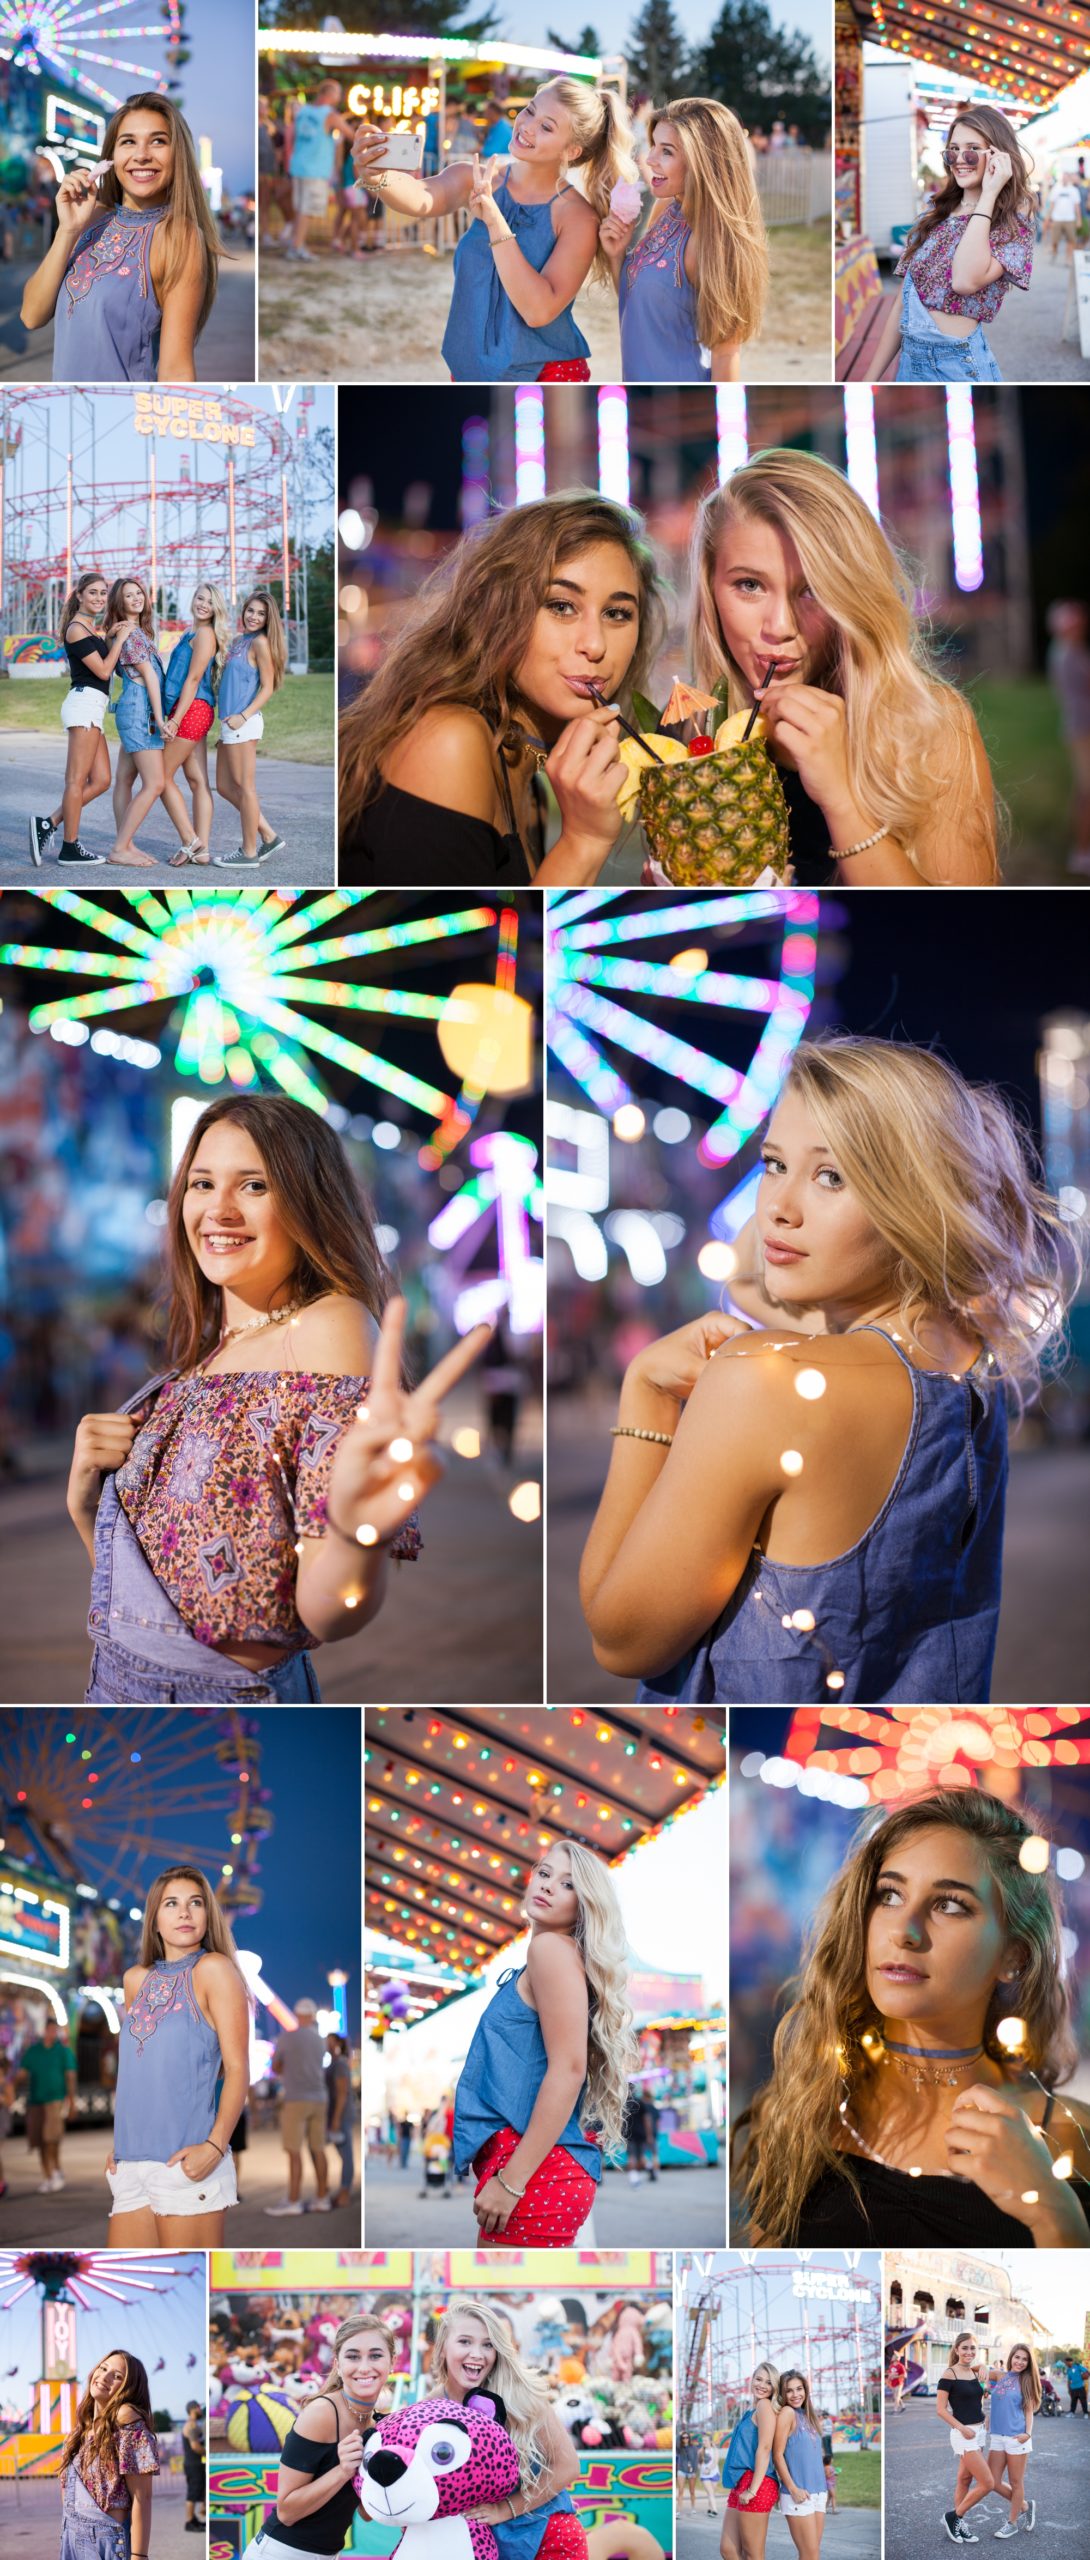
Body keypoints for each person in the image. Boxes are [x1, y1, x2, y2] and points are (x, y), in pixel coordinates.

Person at [582, 1035, 1077, 1702]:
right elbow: (765, 1279)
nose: (779, 1207)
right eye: (773, 1163)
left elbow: (621, 1638)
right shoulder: (970, 1362)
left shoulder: (764, 1381)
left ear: (914, 1199)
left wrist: (644, 1393)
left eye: (832, 1176)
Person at [66, 1093, 490, 1701]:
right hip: (115, 1684)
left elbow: (326, 1612)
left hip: (219, 1703)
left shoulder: (329, 1327)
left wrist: (352, 1536)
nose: (219, 1209)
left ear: (307, 1200)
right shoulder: (204, 1356)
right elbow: (148, 1603)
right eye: (203, 1183)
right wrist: (87, 1506)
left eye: (255, 1186)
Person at [732, 1786, 1090, 2245]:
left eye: (949, 1905)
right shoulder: (801, 2111)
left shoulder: (1069, 2138)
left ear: (1013, 1956)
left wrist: (1053, 2211)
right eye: (890, 1895)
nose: (904, 1931)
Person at [687, 449, 998, 882]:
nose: (780, 627)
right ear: (710, 590)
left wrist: (842, 798)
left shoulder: (932, 726)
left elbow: (967, 932)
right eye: (749, 585)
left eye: (811, 590)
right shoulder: (688, 741)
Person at [338, 491, 668, 883]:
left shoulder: (527, 767)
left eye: (617, 613)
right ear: (496, 609)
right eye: (561, 606)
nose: (594, 645)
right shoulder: (449, 741)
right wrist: (585, 839)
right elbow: (459, 932)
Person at [353, 82, 636, 383]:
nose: (527, 126)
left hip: (545, 375)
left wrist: (494, 220)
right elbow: (422, 196)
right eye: (529, 111)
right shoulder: (475, 176)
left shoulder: (578, 217)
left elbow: (538, 311)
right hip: (469, 372)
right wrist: (378, 174)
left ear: (572, 150)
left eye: (546, 127)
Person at [452, 1839, 637, 2244]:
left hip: (533, 2169)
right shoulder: (558, 1954)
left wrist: (512, 2182)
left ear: (585, 1905)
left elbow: (569, 2070)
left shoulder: (549, 1949)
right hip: (541, 2166)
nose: (549, 1886)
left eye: (569, 1885)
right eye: (545, 1872)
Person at [22, 94, 220, 380]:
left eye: (158, 141)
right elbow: (31, 315)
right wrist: (68, 229)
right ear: (112, 156)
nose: (141, 154)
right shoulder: (89, 217)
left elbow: (176, 369)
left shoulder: (180, 237)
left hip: (124, 415)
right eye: (128, 141)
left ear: (178, 154)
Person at [106, 1864, 248, 2245]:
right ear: (154, 1919)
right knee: (133, 2293)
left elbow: (237, 2069)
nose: (184, 1912)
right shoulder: (135, 1979)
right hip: (130, 2164)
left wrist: (215, 2147)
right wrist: (120, 2145)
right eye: (171, 1903)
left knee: (186, 2283)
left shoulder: (214, 1970)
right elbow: (140, 2067)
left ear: (207, 1914)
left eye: (195, 1903)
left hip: (185, 2164)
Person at [863, 105, 1033, 385]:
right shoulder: (936, 212)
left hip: (957, 366)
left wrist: (988, 194)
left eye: (971, 149)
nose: (959, 160)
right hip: (909, 363)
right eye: (952, 150)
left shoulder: (1012, 221)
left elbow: (964, 281)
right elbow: (905, 301)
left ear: (998, 155)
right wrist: (871, 379)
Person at [601, 100, 768, 384]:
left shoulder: (711, 244)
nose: (650, 159)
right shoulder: (665, 206)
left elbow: (726, 355)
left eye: (666, 151)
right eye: (653, 145)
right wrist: (617, 257)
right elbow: (644, 310)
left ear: (703, 162)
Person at [426, 2296, 584, 2560]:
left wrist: (506, 2508)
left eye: (488, 2345)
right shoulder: (429, 2408)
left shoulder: (522, 2397)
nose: (477, 2354)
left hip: (547, 2537)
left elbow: (568, 2466)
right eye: (465, 2341)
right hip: (475, 2546)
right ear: (443, 2348)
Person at [241, 2313, 394, 2560]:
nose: (364, 2367)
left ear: (392, 2362)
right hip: (281, 2552)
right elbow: (286, 2512)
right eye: (353, 2356)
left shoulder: (379, 2423)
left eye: (375, 2355)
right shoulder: (322, 2413)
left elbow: (367, 2513)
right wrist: (343, 2471)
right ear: (337, 2364)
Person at [30, 571, 134, 868]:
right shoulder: (77, 628)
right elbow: (102, 671)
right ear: (79, 595)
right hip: (83, 704)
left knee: (101, 780)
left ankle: (48, 823)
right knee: (75, 780)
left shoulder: (90, 627)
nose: (100, 598)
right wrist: (118, 641)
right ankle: (69, 848)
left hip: (93, 707)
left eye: (103, 593)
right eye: (93, 593)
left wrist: (111, 637)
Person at [106, 574, 202, 867]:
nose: (136, 598)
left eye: (139, 593)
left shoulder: (135, 632)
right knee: (155, 783)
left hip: (133, 709)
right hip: (140, 712)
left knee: (125, 779)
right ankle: (120, 849)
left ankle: (126, 844)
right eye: (128, 595)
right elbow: (148, 676)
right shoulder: (130, 634)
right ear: (119, 603)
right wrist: (161, 720)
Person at [213, 587, 288, 868]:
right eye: (251, 610)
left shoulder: (260, 644)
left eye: (261, 613)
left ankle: (248, 852)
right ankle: (268, 834)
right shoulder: (238, 641)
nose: (254, 617)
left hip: (243, 723)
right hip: (229, 724)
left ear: (269, 619)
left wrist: (242, 717)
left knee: (246, 788)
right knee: (223, 786)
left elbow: (268, 687)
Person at [59, 2350, 159, 2560]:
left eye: (117, 2376)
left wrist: (139, 2555)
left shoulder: (129, 2428)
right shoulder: (78, 2433)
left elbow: (143, 2497)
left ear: (129, 2388)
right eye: (103, 2368)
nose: (104, 2377)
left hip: (105, 2540)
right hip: (70, 2534)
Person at [267, 1998, 334, 2217]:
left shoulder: (287, 2038)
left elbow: (276, 2067)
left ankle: (294, 2200)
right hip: (319, 2097)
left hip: (296, 2098)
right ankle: (322, 2197)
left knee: (294, 2150)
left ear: (296, 2014)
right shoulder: (320, 2040)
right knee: (318, 2148)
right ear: (314, 2015)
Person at [936, 2335, 1003, 2545]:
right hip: (963, 2434)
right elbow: (940, 2409)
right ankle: (953, 2517)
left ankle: (959, 2523)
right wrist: (961, 2427)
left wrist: (983, 2365)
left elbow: (1001, 2377)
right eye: (965, 2348)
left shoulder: (976, 2371)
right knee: (988, 2482)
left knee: (964, 2479)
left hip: (979, 2432)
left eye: (973, 2349)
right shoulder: (950, 2373)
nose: (969, 2353)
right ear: (956, 2349)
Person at [284, 81, 354, 260]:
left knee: (300, 208)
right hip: (314, 169)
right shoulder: (329, 114)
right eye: (338, 93)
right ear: (329, 94)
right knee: (306, 210)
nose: (339, 97)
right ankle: (296, 247)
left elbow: (291, 136)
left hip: (298, 165)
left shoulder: (303, 112)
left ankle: (295, 242)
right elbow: (350, 134)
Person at [1045, 598, 1090, 876]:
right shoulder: (1066, 654)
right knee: (1086, 792)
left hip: (1081, 727)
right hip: (1081, 729)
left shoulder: (1071, 651)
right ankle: (1082, 851)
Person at [720, 2363, 780, 2560]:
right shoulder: (751, 2410)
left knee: (753, 2554)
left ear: (774, 2387)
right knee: (728, 2550)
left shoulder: (764, 2406)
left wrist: (753, 2489)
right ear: (752, 2379)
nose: (762, 2385)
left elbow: (764, 2448)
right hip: (741, 2482)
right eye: (759, 2379)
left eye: (769, 2382)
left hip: (757, 2483)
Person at [15, 2012, 76, 2192]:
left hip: (54, 2100)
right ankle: (47, 2175)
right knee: (39, 2140)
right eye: (49, 2030)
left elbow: (70, 2076)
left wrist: (71, 2102)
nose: (51, 2033)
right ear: (44, 2031)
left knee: (51, 2138)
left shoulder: (63, 2051)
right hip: (36, 2100)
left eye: (54, 2030)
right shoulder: (34, 2051)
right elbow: (22, 2073)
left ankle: (56, 2170)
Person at [986, 2343, 1039, 2539]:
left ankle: (1012, 2522)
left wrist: (1028, 2433)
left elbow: (1028, 2411)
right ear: (1011, 2357)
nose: (1020, 2362)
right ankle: (1025, 2505)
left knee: (1016, 2482)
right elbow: (973, 2370)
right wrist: (982, 2367)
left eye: (1024, 2359)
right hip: (997, 2436)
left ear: (1028, 2363)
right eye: (1017, 2357)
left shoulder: (1027, 2381)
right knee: (991, 2481)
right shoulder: (1000, 2375)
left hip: (1017, 2437)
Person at [773, 2374, 827, 2559]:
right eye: (789, 2390)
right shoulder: (787, 2413)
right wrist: (793, 2488)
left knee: (811, 2554)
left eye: (799, 2388)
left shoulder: (809, 2416)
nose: (795, 2394)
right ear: (783, 2394)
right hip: (798, 2494)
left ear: (805, 2389)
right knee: (810, 2555)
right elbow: (777, 2454)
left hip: (819, 2492)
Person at [325, 2033, 355, 2204]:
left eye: (329, 2040)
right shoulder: (336, 2063)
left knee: (346, 2153)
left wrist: (336, 2118)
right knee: (343, 2153)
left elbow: (342, 2093)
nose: (325, 2043)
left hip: (341, 2114)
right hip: (337, 2113)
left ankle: (345, 2190)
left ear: (336, 2043)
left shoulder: (340, 2064)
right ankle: (344, 2189)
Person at [1046, 171, 1082, 259]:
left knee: (1071, 240)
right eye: (1063, 177)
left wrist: (1079, 220)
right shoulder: (1056, 189)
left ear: (1069, 179)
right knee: (1055, 240)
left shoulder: (1074, 190)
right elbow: (1052, 204)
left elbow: (1077, 206)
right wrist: (1048, 217)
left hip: (1070, 219)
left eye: (1066, 177)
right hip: (1057, 218)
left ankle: (1068, 257)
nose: (1065, 179)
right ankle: (1054, 251)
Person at [182, 2401, 206, 2535]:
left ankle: (194, 2519)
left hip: (196, 2464)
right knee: (192, 2493)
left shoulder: (194, 2424)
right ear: (193, 2409)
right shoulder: (191, 2425)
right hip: (193, 2464)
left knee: (197, 2491)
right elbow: (195, 2446)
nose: (200, 2409)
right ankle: (190, 2522)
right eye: (198, 2407)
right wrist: (207, 2452)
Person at [677, 2428, 700, 2509]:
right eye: (683, 2437)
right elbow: (676, 2444)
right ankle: (678, 2510)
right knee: (680, 2491)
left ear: (689, 2438)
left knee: (692, 2491)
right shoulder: (679, 2448)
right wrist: (679, 2435)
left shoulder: (693, 2447)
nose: (685, 2439)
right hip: (682, 2470)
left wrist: (694, 2470)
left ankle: (693, 2507)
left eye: (687, 2437)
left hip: (691, 2471)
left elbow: (696, 2459)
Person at [700, 2442, 721, 2515]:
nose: (704, 2442)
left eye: (706, 2440)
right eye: (703, 2440)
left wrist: (709, 2469)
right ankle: (714, 2510)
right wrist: (701, 2469)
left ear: (710, 2442)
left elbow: (715, 2461)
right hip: (704, 2475)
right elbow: (698, 2462)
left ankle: (709, 2507)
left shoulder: (715, 2450)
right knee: (710, 2492)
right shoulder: (701, 2451)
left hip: (714, 2473)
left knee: (711, 2493)